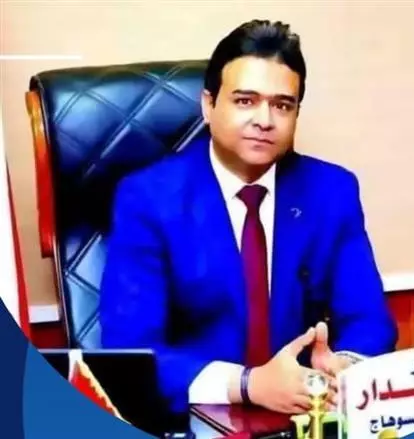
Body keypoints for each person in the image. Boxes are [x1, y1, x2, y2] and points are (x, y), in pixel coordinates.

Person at [99, 19, 398, 415]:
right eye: (245, 101)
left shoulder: (332, 191)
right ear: (208, 105)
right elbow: (131, 351)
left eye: (282, 105)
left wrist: (345, 367)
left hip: (305, 414)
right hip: (197, 418)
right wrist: (247, 384)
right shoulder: (148, 199)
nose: (265, 120)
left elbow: (370, 321)